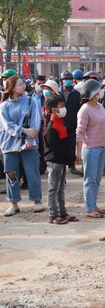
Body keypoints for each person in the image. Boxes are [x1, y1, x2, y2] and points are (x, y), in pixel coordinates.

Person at [1, 76, 43, 217]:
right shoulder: (4, 105)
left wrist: (30, 137)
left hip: (29, 144)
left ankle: (37, 199)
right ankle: (14, 203)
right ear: (12, 87)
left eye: (23, 83)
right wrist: (23, 131)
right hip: (9, 144)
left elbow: (35, 122)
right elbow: (7, 125)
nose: (23, 85)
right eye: (19, 84)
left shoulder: (30, 102)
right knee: (11, 175)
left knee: (33, 173)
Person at [76, 79, 105, 219]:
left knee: (97, 179)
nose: (101, 91)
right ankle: (89, 208)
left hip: (101, 147)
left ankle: (93, 204)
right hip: (90, 149)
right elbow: (80, 131)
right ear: (92, 92)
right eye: (98, 89)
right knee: (90, 180)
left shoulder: (100, 106)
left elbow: (104, 128)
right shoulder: (84, 110)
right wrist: (78, 151)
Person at [43, 96, 78, 224]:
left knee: (60, 188)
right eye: (61, 106)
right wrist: (69, 158)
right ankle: (53, 215)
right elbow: (56, 148)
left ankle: (62, 212)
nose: (64, 109)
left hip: (61, 160)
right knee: (53, 188)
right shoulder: (52, 127)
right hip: (55, 161)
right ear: (54, 110)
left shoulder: (61, 122)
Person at [60, 70, 82, 177]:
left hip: (72, 124)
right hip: (60, 124)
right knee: (61, 146)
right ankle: (62, 165)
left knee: (71, 145)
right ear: (61, 81)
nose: (67, 81)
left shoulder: (76, 94)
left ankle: (71, 165)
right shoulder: (58, 93)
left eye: (69, 79)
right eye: (65, 79)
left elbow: (79, 109)